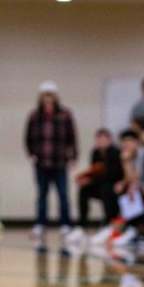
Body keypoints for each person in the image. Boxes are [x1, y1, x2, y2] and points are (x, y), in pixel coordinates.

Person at [25, 81, 77, 239]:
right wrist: (31, 153)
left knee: (63, 194)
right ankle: (40, 224)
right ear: (41, 97)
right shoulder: (35, 115)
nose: (48, 99)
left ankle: (65, 224)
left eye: (51, 95)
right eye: (45, 96)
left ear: (55, 97)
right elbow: (28, 137)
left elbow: (72, 137)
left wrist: (73, 156)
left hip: (59, 161)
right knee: (42, 194)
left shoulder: (65, 114)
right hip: (41, 162)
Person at [75, 128, 122, 227]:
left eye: (103, 140)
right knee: (84, 190)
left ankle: (109, 221)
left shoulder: (116, 153)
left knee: (106, 190)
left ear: (109, 140)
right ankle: (82, 223)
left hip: (113, 185)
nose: (100, 143)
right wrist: (87, 179)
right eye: (98, 140)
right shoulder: (95, 153)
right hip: (99, 184)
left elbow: (114, 174)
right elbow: (93, 172)